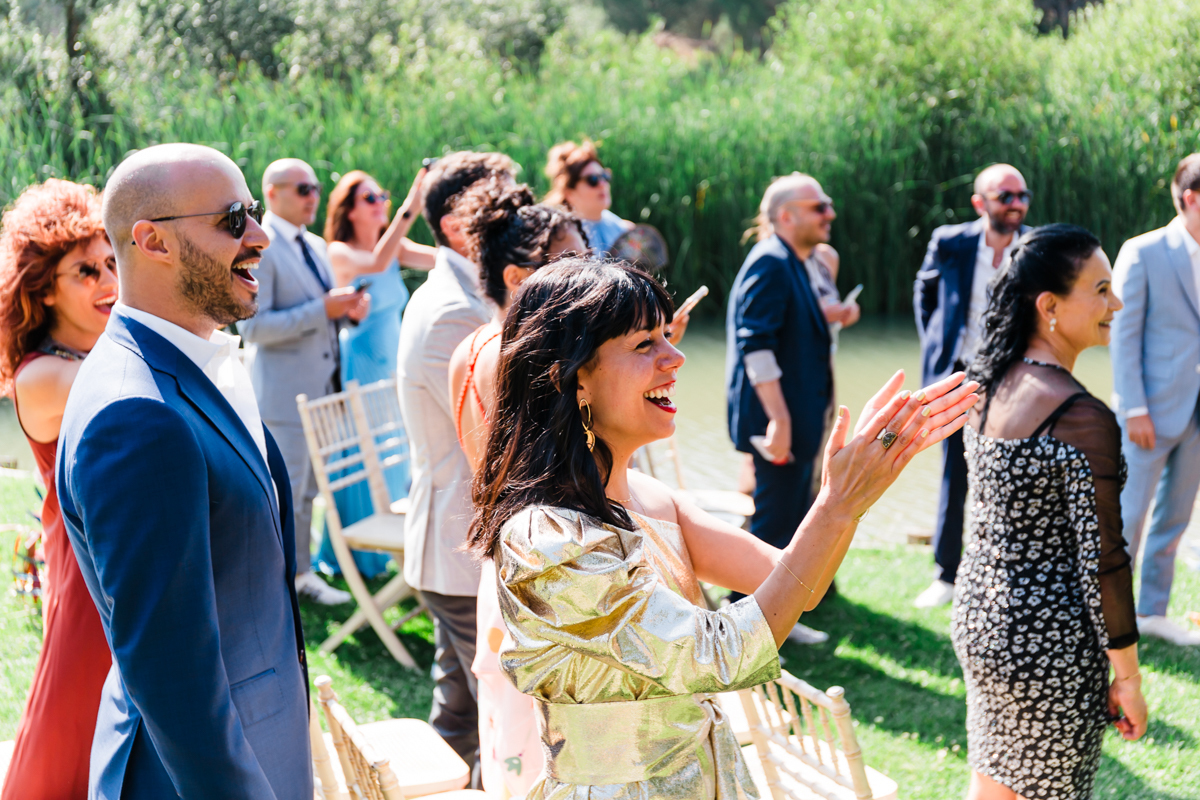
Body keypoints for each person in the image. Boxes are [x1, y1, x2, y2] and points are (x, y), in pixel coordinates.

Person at [467, 259, 977, 798]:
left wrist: (851, 498)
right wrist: (834, 505)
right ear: (572, 378)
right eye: (645, 344)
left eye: (667, 335)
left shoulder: (649, 498)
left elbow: (796, 585)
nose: (676, 357)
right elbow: (721, 653)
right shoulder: (547, 539)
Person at [57, 143, 310, 797]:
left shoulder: (197, 358)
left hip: (262, 737)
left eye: (253, 212)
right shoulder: (136, 416)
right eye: (234, 219)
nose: (259, 236)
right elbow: (172, 675)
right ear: (152, 242)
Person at [954, 224, 1146, 800]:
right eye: (1102, 289)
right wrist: (1129, 678)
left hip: (983, 622)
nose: (1115, 303)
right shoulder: (1081, 418)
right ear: (1050, 306)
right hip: (1049, 647)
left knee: (992, 785)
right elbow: (1104, 562)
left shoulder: (985, 385)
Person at [443, 178, 585, 797]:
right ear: (515, 277)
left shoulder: (470, 350)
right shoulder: (535, 360)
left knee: (511, 744)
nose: (589, 275)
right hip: (551, 569)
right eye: (571, 261)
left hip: (502, 561)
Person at [397, 150, 516, 777]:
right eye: (499, 201)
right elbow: (494, 441)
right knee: (509, 711)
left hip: (455, 542)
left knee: (460, 712)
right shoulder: (455, 311)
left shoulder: (462, 297)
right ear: (454, 224)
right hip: (460, 540)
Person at [0, 180, 115, 800]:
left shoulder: (101, 351)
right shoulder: (44, 375)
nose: (108, 281)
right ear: (44, 288)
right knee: (74, 721)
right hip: (87, 564)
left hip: (122, 552)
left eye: (113, 264)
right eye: (86, 271)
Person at [726, 173, 850, 644]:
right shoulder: (772, 263)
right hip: (777, 420)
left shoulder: (796, 260)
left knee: (791, 510)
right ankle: (745, 619)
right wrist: (778, 417)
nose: (829, 214)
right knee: (774, 519)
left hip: (798, 415)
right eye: (819, 206)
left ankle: (775, 611)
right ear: (786, 216)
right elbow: (755, 346)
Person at [241, 156, 370, 605]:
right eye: (303, 189)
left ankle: (300, 574)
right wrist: (324, 311)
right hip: (283, 394)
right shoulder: (260, 245)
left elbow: (324, 315)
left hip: (324, 390)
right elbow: (252, 328)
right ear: (271, 194)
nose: (313, 196)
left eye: (315, 187)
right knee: (287, 491)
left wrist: (348, 315)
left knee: (309, 490)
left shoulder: (316, 245)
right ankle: (284, 582)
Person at [913, 163, 1032, 608]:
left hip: (1015, 379)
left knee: (1014, 473)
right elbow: (924, 292)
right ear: (980, 203)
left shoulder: (1037, 247)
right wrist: (936, 347)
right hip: (958, 375)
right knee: (954, 472)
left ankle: (1007, 572)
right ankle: (946, 575)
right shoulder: (950, 242)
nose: (1016, 204)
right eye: (1006, 196)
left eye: (1022, 196)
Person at [311, 167, 434, 578]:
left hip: (392, 361)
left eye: (382, 195)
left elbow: (442, 260)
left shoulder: (392, 247)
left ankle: (391, 543)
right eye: (370, 198)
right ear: (349, 211)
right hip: (362, 364)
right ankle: (361, 552)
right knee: (368, 453)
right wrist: (410, 205)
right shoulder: (341, 252)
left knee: (395, 449)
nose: (380, 203)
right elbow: (379, 261)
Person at [1110, 152, 1200, 646]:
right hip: (1149, 410)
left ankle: (1153, 611)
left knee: (1176, 517)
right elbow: (1123, 333)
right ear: (1191, 198)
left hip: (1198, 412)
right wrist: (1134, 407)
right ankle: (1112, 617)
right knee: (1127, 518)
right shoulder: (1143, 251)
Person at [544, 139, 633, 257]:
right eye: (593, 180)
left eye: (604, 176)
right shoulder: (561, 237)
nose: (603, 184)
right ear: (569, 193)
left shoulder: (623, 229)